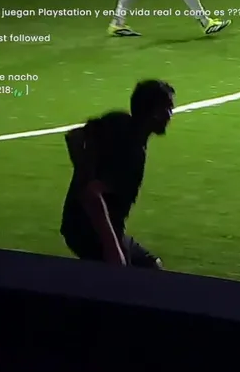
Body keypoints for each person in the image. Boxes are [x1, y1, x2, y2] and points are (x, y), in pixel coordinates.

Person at [60, 80, 176, 267]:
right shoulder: (131, 152)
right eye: (167, 108)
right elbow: (92, 195)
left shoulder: (118, 121)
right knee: (128, 276)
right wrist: (112, 247)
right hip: (92, 231)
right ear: (152, 111)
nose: (171, 114)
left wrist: (84, 172)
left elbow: (75, 137)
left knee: (150, 266)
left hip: (76, 223)